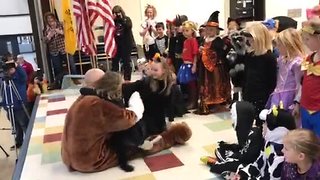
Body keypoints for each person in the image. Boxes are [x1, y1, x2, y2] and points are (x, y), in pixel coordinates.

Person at [61, 71, 192, 173]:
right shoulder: (96, 104)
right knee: (136, 147)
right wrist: (136, 106)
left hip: (69, 157)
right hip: (91, 159)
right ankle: (173, 135)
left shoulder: (81, 99)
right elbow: (127, 119)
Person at [201, 101, 263, 178]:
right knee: (220, 150)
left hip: (252, 164)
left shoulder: (253, 134)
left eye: (232, 115)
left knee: (229, 166)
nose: (231, 118)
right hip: (244, 156)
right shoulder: (244, 129)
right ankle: (225, 162)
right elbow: (242, 147)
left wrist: (235, 156)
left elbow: (249, 158)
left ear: (241, 116)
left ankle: (216, 163)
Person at [232, 107, 296, 179]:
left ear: (277, 131)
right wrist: (242, 174)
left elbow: (271, 177)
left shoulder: (281, 156)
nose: (262, 126)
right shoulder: (270, 144)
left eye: (265, 124)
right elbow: (259, 162)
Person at [123, 55, 176, 136]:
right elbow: (132, 87)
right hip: (145, 116)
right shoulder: (147, 81)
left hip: (159, 120)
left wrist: (170, 120)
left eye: (155, 70)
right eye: (151, 69)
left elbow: (170, 105)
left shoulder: (170, 86)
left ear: (164, 70)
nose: (152, 72)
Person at [238, 22, 277, 126]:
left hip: (263, 98)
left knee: (261, 124)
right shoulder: (250, 55)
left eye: (251, 38)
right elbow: (246, 76)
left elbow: (272, 82)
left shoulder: (269, 58)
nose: (249, 41)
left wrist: (268, 101)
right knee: (247, 123)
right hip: (249, 95)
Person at [266, 28, 304, 112]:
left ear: (288, 45)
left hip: (290, 97)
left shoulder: (297, 63)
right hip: (278, 95)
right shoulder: (281, 59)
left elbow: (299, 85)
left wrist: (297, 103)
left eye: (279, 45)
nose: (277, 48)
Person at [199, 11, 231, 109]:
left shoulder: (218, 41)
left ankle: (219, 99)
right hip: (205, 67)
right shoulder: (204, 40)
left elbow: (220, 53)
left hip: (216, 66)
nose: (209, 32)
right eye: (207, 29)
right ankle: (208, 99)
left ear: (217, 31)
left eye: (211, 30)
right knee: (206, 82)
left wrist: (207, 52)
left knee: (217, 82)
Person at [295, 18, 320, 136]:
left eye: (307, 39)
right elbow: (303, 83)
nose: (305, 42)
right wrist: (297, 102)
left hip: (318, 110)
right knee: (308, 142)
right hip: (305, 107)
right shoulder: (308, 59)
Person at [1, 55, 29, 149]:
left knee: (24, 124)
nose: (9, 70)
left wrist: (17, 66)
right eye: (8, 69)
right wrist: (4, 105)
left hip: (20, 106)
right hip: (10, 107)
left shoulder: (19, 78)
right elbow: (3, 93)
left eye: (11, 68)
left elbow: (24, 76)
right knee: (16, 126)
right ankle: (19, 141)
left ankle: (29, 141)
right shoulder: (4, 81)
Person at [43, 12, 76, 89]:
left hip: (65, 49)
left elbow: (69, 34)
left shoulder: (61, 24)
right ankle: (60, 83)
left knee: (71, 65)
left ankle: (75, 80)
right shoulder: (46, 29)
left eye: (52, 19)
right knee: (57, 68)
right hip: (54, 51)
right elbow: (44, 41)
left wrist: (60, 32)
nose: (51, 21)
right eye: (49, 20)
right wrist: (49, 36)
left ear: (54, 19)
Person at [111, 6, 135, 82]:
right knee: (115, 61)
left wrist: (121, 19)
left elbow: (129, 27)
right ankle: (115, 79)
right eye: (115, 13)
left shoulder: (126, 19)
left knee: (126, 61)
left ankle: (127, 79)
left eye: (118, 12)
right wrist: (113, 19)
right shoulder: (113, 21)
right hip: (117, 44)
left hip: (126, 43)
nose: (117, 15)